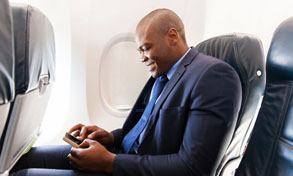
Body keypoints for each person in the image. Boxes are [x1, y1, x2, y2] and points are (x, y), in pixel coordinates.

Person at [10, 8, 242, 176]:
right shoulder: (163, 75)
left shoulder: (213, 75)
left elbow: (193, 168)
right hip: (122, 154)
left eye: (146, 48)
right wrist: (110, 137)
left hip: (132, 168)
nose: (142, 58)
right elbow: (146, 127)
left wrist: (110, 163)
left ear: (172, 36)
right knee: (22, 160)